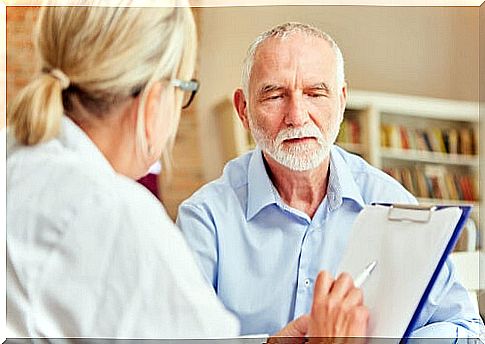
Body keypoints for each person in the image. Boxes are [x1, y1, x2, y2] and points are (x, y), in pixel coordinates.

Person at [7, 6, 369, 339]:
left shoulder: (16, 160)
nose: (297, 116)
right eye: (183, 90)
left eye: (315, 93)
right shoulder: (118, 216)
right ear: (154, 98)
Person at [177, 22, 484, 337]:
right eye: (275, 96)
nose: (297, 115)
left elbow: (466, 329)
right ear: (243, 109)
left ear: (341, 101)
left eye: (315, 93)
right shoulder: (205, 218)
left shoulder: (393, 203)